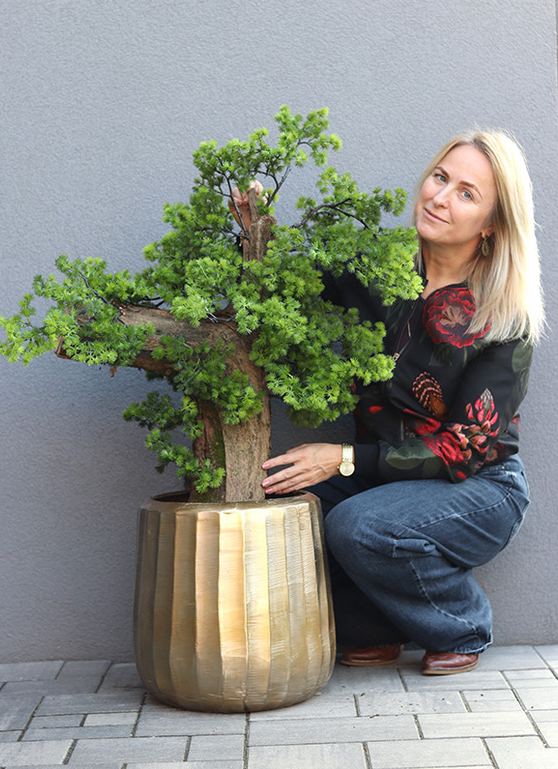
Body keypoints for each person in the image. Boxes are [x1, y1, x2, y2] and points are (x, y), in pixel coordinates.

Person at [233, 130, 544, 675]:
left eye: (467, 193)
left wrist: (343, 458)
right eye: (441, 178)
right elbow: (297, 283)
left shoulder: (504, 318)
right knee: (281, 496)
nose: (441, 197)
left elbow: (464, 449)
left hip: (479, 488)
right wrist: (258, 232)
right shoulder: (378, 269)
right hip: (385, 473)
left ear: (492, 223)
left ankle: (462, 624)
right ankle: (371, 630)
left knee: (358, 524)